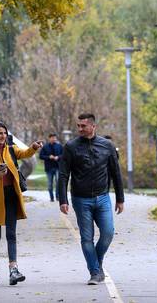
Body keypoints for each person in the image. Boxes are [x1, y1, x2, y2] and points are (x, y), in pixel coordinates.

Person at [59, 113, 124, 286]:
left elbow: (116, 173)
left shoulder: (107, 146)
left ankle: (96, 262)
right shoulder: (71, 147)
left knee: (108, 233)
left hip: (103, 197)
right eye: (78, 126)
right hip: (81, 199)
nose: (79, 129)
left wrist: (120, 198)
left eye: (83, 126)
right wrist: (62, 200)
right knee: (86, 238)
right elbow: (64, 174)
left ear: (93, 126)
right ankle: (95, 272)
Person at [0, 121, 43, 286]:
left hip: (11, 196)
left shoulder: (12, 150)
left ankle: (13, 270)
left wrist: (34, 147)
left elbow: (26, 153)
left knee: (11, 234)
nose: (3, 136)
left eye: (4, 133)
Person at [39, 133, 63, 201]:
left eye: (55, 138)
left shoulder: (59, 146)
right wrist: (49, 157)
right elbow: (41, 156)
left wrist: (58, 157)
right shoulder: (45, 147)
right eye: (52, 138)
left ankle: (57, 196)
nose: (54, 139)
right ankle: (51, 198)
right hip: (49, 168)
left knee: (58, 182)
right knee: (50, 184)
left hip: (58, 167)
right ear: (49, 138)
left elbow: (64, 155)